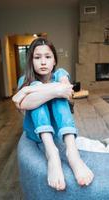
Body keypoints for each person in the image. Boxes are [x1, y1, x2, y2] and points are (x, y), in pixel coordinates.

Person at [12, 37, 94, 191]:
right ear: (31, 60)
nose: (43, 62)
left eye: (48, 57)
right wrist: (51, 89)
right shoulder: (24, 79)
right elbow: (25, 104)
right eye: (37, 57)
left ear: (54, 61)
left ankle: (72, 153)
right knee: (40, 87)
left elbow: (66, 91)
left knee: (58, 97)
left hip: (59, 131)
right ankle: (52, 154)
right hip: (36, 132)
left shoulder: (60, 74)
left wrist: (27, 91)